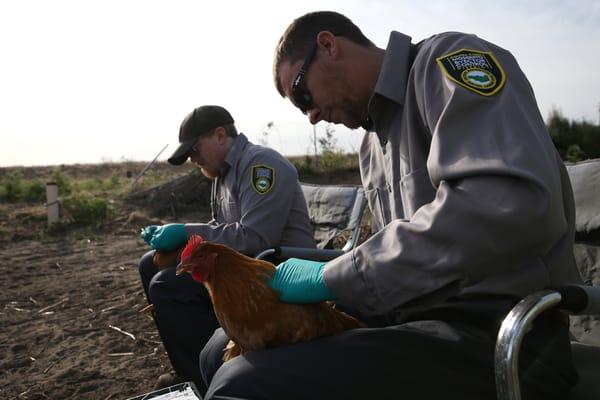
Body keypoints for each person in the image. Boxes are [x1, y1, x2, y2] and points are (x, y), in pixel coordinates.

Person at [198, 11, 583, 400]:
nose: (311, 116)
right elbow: (399, 255)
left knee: (245, 385)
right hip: (417, 317)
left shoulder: (446, 65)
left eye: (302, 95)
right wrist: (329, 279)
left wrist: (334, 276)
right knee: (220, 350)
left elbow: (504, 207)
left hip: (505, 334)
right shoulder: (371, 145)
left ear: (328, 46)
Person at [138, 105, 316, 393]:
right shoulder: (221, 175)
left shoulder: (261, 165)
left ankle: (206, 380)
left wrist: (186, 232)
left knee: (168, 286)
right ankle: (191, 370)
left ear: (220, 135)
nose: (193, 160)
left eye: (195, 150)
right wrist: (180, 238)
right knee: (151, 264)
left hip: (280, 271)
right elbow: (222, 227)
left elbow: (257, 238)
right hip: (247, 269)